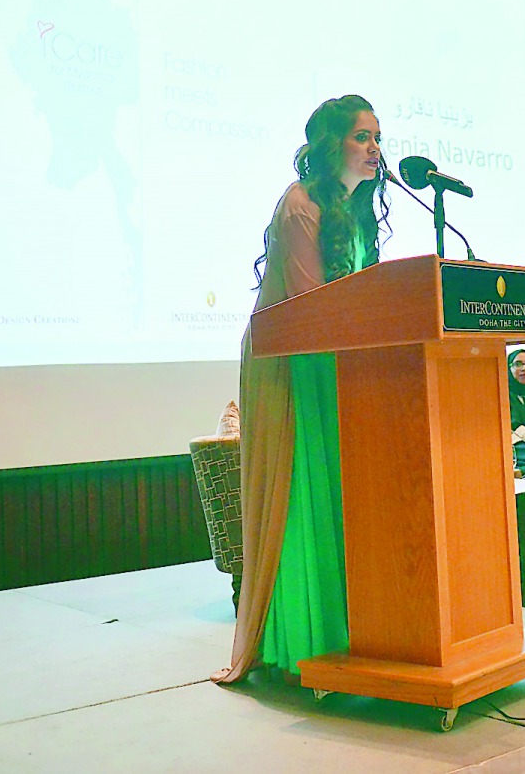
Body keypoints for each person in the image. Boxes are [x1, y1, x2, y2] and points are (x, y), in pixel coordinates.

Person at [213, 95, 390, 683]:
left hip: (337, 363)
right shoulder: (301, 205)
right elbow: (313, 309)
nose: (374, 148)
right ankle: (303, 641)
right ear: (328, 144)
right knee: (305, 490)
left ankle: (350, 633)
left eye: (377, 138)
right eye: (362, 137)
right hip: (293, 365)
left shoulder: (355, 207)